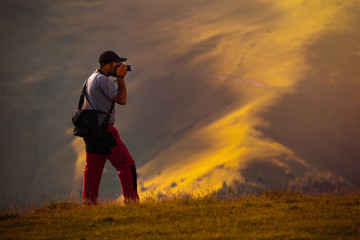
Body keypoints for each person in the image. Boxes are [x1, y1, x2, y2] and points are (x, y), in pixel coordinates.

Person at [81, 50, 139, 205]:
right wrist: (120, 77)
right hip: (105, 131)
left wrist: (119, 74)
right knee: (127, 164)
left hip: (92, 131)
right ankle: (132, 201)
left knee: (93, 169)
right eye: (116, 64)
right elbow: (122, 99)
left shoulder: (92, 78)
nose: (119, 66)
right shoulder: (102, 80)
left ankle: (89, 203)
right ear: (107, 66)